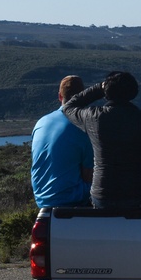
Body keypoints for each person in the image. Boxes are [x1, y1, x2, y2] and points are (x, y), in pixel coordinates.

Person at [63, 71, 141, 209]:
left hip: (103, 196)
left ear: (107, 92)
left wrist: (99, 88)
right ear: (133, 92)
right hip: (139, 195)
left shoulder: (93, 117)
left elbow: (68, 107)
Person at [30, 75, 93, 208]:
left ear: (60, 96)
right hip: (72, 200)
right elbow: (89, 175)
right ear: (84, 96)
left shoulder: (41, 122)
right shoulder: (82, 126)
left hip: (42, 200)